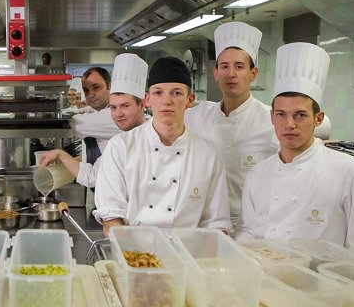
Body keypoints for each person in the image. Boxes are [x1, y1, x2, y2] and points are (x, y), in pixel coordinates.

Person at [237, 42, 354, 246]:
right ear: (272, 117)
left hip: (323, 277)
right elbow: (247, 232)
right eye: (281, 114)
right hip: (265, 275)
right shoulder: (258, 173)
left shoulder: (350, 172)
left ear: (318, 118)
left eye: (300, 115)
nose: (289, 124)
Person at [93, 57, 231, 237]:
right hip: (134, 254)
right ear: (148, 99)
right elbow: (111, 217)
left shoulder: (208, 154)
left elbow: (217, 223)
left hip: (190, 256)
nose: (167, 101)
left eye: (176, 93)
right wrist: (133, 259)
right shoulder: (120, 147)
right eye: (158, 93)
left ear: (190, 100)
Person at [184, 22, 278, 220]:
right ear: (216, 73)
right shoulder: (196, 116)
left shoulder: (271, 121)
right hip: (203, 224)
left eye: (239, 66)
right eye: (224, 66)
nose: (231, 74)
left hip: (252, 225)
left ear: (253, 74)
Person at [41, 53, 148, 189]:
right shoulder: (118, 144)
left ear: (143, 104)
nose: (118, 113)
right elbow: (92, 177)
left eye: (125, 106)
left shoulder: (148, 138)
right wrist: (60, 154)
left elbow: (75, 125)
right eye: (114, 107)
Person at [70, 66, 121, 167]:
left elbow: (75, 124)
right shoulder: (97, 111)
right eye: (86, 90)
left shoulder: (117, 115)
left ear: (109, 86)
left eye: (96, 87)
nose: (91, 95)